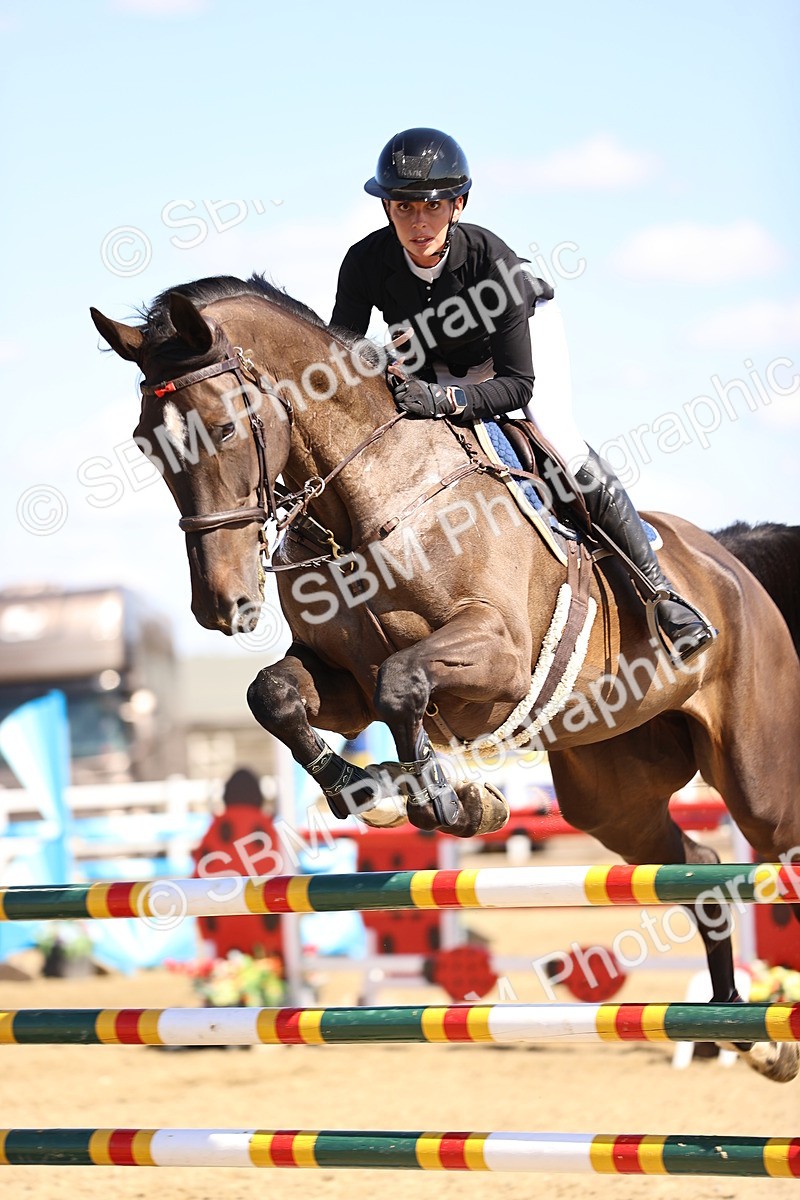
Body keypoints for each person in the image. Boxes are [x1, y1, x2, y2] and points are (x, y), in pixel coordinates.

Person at [331, 127, 716, 663]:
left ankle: (661, 595)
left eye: (433, 206)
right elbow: (344, 358)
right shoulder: (365, 261)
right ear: (387, 209)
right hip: (433, 357)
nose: (418, 222)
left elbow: (517, 384)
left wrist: (440, 402)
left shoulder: (493, 263)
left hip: (515, 347)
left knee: (561, 441)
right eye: (404, 207)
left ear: (458, 204)